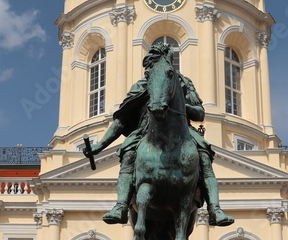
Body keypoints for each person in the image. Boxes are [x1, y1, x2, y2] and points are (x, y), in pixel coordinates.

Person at [84, 44, 234, 226]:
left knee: (203, 154)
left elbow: (199, 114)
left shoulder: (183, 83)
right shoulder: (141, 86)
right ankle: (121, 206)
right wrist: (99, 146)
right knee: (128, 152)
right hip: (145, 132)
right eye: (151, 65)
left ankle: (214, 208)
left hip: (183, 132)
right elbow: (121, 120)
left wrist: (179, 106)